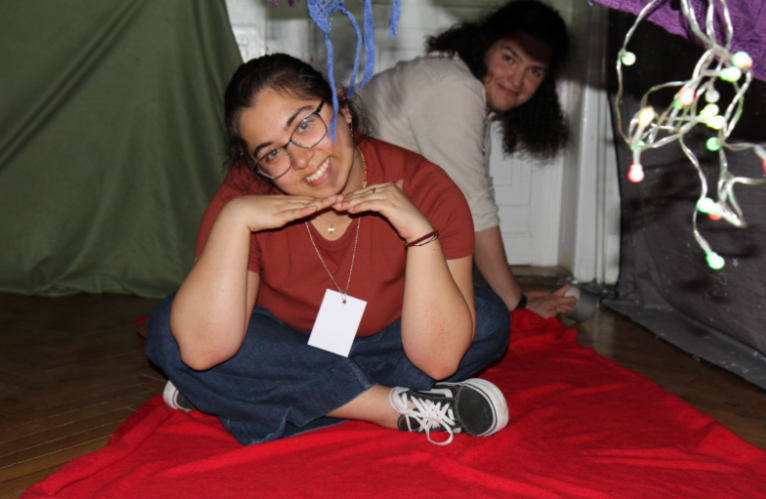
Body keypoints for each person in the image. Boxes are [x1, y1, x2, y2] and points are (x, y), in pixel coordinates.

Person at [145, 54, 511, 447]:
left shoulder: (426, 186)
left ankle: (235, 395)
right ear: (255, 166)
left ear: (342, 107)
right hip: (284, 344)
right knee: (172, 330)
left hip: (388, 343)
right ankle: (392, 407)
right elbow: (203, 348)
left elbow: (438, 359)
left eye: (305, 124)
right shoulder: (243, 196)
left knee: (486, 320)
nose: (302, 160)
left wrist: (420, 234)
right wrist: (235, 219)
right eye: (271, 154)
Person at [360, 0, 577, 318]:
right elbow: (473, 202)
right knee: (483, 318)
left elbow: (471, 193)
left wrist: (511, 294)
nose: (517, 80)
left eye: (534, 71)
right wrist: (515, 304)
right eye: (509, 58)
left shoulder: (457, 79)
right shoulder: (455, 87)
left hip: (370, 236)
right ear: (485, 44)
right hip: (355, 249)